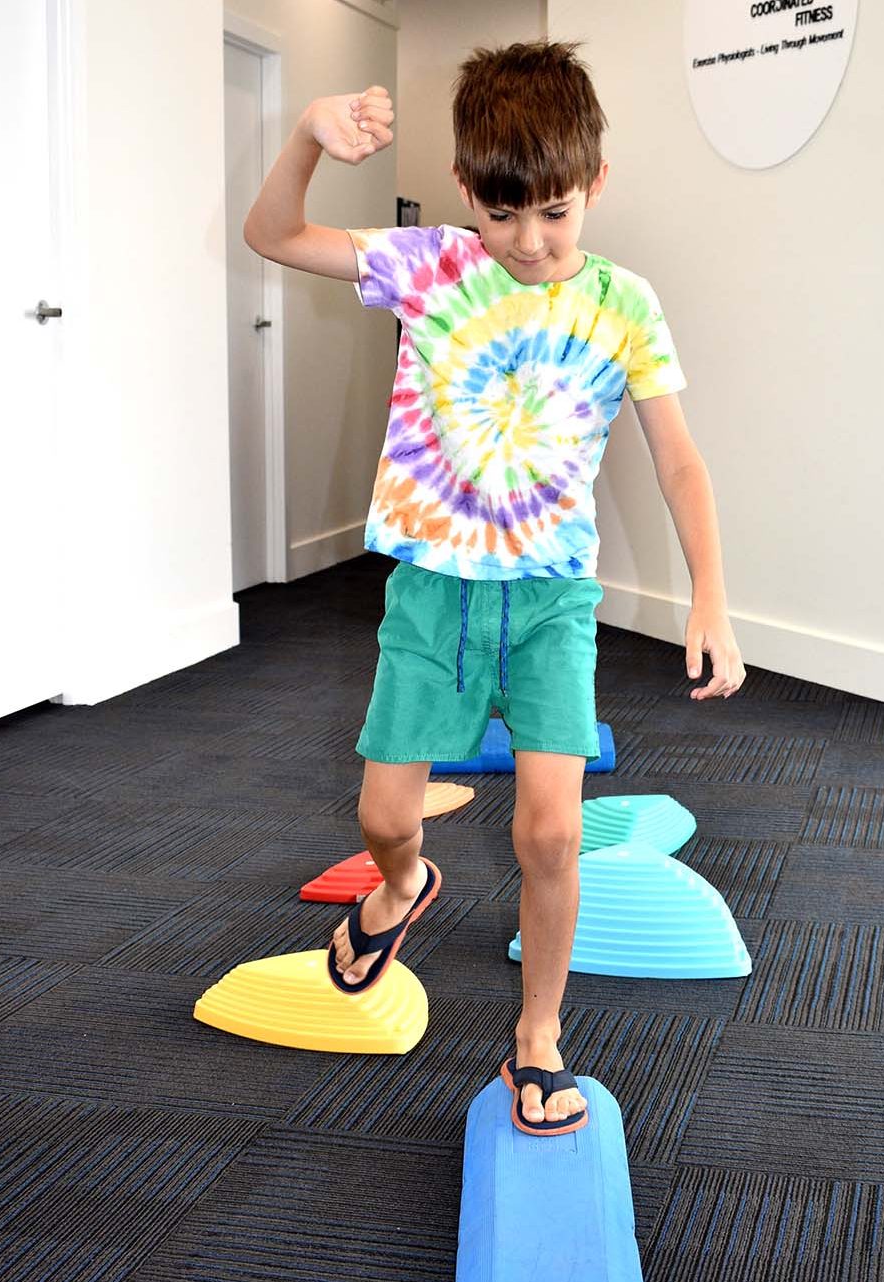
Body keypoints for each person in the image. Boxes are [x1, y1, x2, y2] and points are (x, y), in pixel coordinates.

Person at [243, 39, 745, 1137]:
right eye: (503, 214)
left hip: (551, 603)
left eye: (554, 214)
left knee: (551, 834)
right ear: (468, 190)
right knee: (383, 813)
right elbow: (272, 235)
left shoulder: (624, 303)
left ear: (593, 184)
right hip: (433, 594)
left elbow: (678, 459)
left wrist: (709, 593)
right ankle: (400, 886)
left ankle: (536, 1037)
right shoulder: (430, 264)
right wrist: (303, 141)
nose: (527, 243)